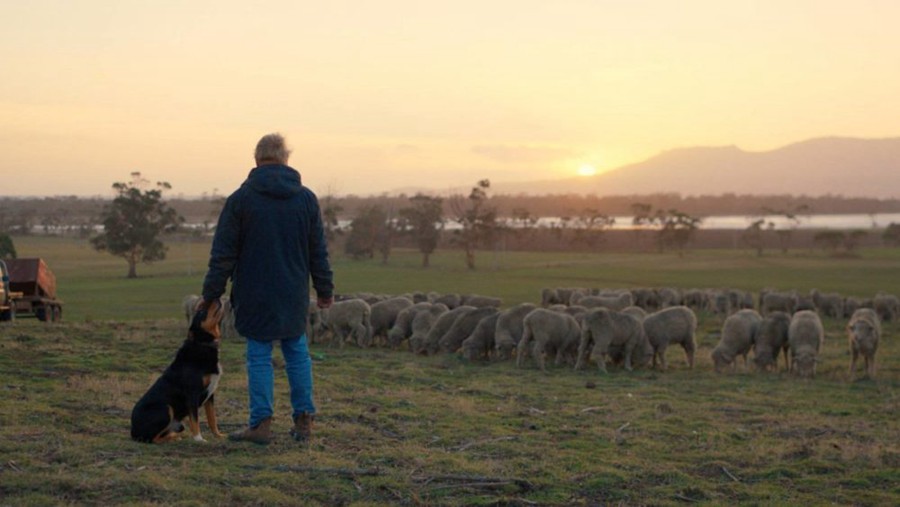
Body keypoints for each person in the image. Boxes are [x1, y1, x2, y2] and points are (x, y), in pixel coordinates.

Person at [199, 133, 333, 445]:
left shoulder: (240, 200)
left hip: (254, 292)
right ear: (286, 159)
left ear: (257, 160)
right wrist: (324, 288)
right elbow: (318, 251)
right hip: (293, 292)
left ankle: (260, 424)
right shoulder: (306, 199)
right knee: (297, 353)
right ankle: (304, 420)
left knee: (259, 355)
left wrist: (211, 294)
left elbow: (223, 254)